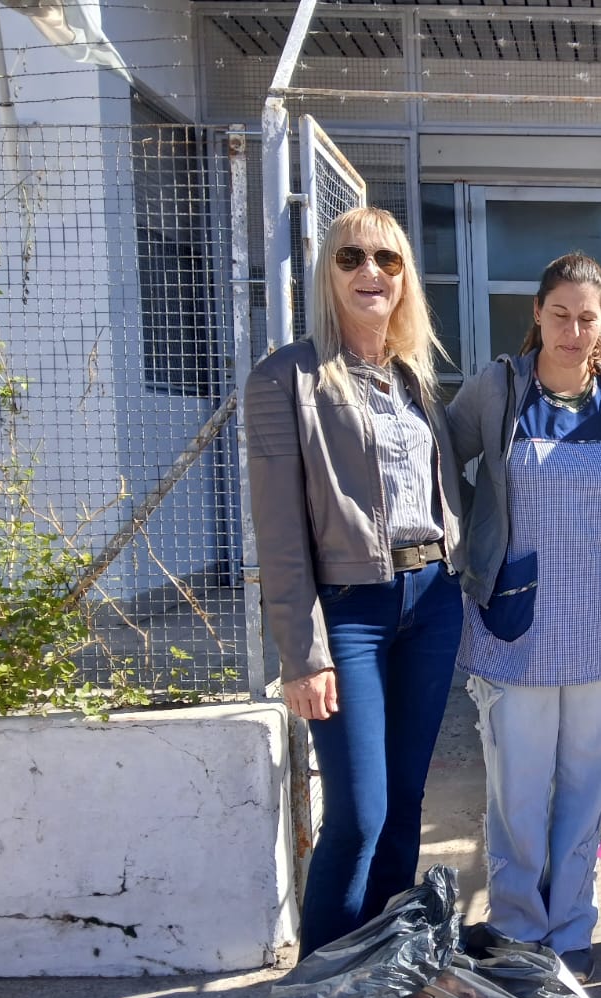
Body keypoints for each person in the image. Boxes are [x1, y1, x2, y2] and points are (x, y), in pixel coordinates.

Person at [244, 207, 466, 959]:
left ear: (405, 277)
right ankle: (321, 991)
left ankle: (381, 970)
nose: (371, 271)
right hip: (350, 612)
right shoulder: (286, 378)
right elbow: (279, 533)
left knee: (404, 806)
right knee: (359, 815)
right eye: (351, 258)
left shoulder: (414, 380)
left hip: (431, 600)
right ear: (328, 273)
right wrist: (301, 654)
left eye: (387, 259)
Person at [447, 252, 601, 984]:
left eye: (587, 318)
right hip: (517, 623)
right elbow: (442, 461)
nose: (572, 330)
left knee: (587, 787)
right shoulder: (499, 388)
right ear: (537, 313)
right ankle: (515, 929)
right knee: (518, 792)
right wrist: (472, 540)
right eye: (559, 314)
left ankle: (569, 928)